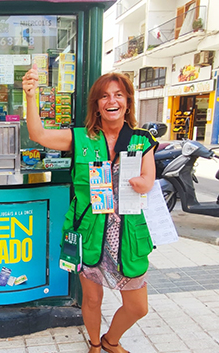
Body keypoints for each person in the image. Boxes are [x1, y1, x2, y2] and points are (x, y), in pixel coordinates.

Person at [22, 65, 158, 353]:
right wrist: (31, 96)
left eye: (119, 95)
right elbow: (38, 134)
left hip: (127, 235)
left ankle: (111, 339)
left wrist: (141, 183)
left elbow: (148, 180)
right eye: (105, 96)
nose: (112, 101)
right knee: (92, 299)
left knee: (138, 307)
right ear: (97, 105)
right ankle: (96, 344)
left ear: (128, 101)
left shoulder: (141, 140)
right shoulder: (80, 138)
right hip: (86, 231)